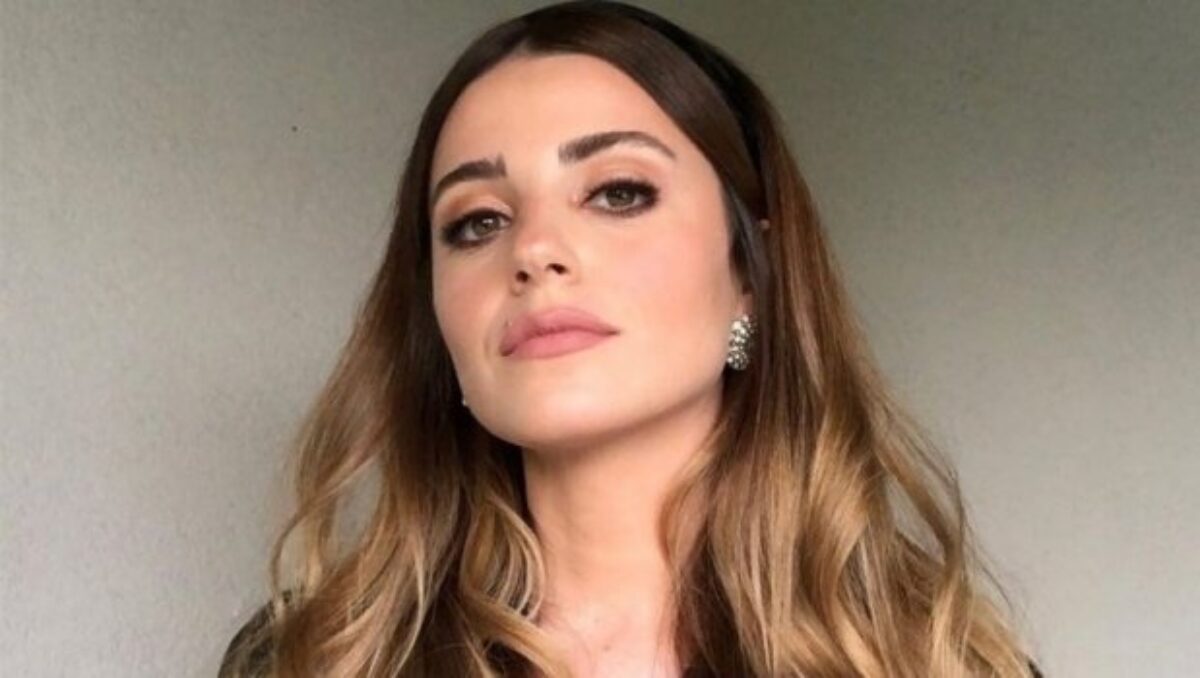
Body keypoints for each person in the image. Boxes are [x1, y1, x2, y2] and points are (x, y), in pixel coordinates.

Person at [220, 1, 1041, 676]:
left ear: (750, 271)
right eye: (477, 222)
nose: (534, 250)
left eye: (617, 192)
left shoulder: (934, 660)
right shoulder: (315, 658)